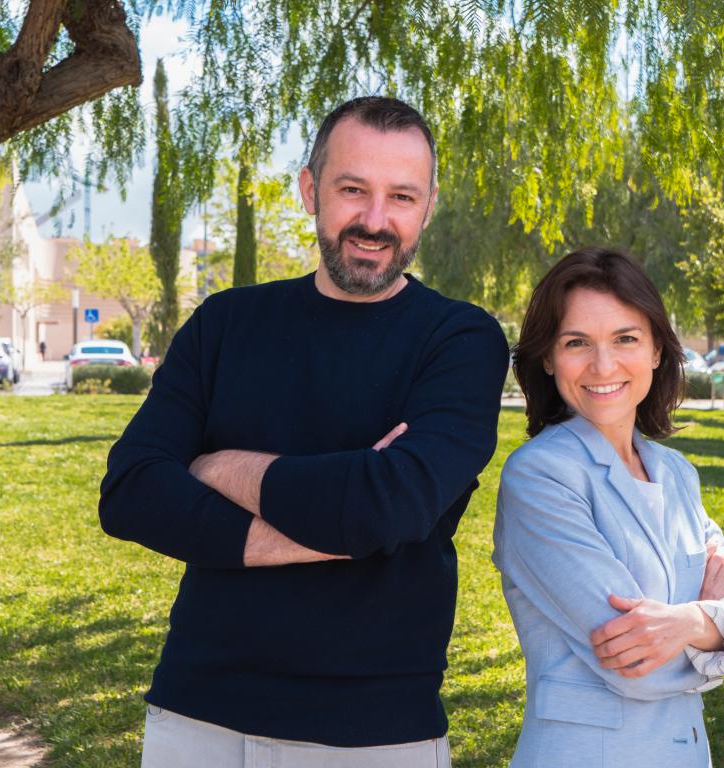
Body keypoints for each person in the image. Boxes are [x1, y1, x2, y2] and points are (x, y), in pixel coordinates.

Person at [98, 97, 509, 766]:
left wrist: (214, 468)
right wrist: (345, 523)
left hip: (374, 734)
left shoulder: (459, 340)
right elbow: (131, 493)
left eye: (402, 197)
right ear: (311, 190)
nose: (375, 220)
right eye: (353, 190)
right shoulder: (224, 324)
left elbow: (386, 505)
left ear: (429, 206)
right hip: (196, 717)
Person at [493, 247, 724, 767]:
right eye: (577, 342)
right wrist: (718, 628)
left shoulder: (675, 474)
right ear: (548, 357)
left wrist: (688, 622)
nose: (604, 365)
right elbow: (634, 663)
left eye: (625, 339)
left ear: (657, 350)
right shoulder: (539, 476)